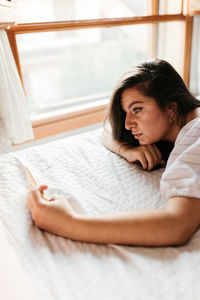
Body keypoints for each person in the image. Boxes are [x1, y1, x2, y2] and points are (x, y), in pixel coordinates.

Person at [28, 59, 200, 247]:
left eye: (137, 109)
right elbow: (108, 130)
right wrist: (127, 149)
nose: (128, 124)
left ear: (171, 107)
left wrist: (68, 222)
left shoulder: (193, 139)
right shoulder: (186, 124)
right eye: (126, 112)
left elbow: (176, 226)